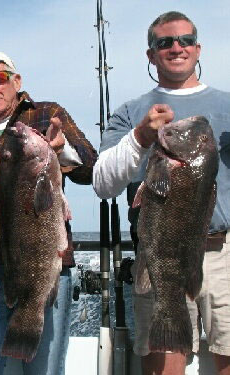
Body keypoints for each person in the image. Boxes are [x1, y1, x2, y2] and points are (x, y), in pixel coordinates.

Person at [93, 11, 230, 375]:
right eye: (164, 42)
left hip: (223, 254)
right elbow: (103, 183)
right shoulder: (130, 113)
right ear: (151, 55)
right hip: (158, 255)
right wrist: (140, 137)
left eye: (185, 40)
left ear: (198, 49)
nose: (176, 47)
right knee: (163, 365)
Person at [0, 52, 97, 375]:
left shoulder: (48, 114)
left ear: (17, 81)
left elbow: (90, 169)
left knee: (44, 370)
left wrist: (62, 152)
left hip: (46, 267)